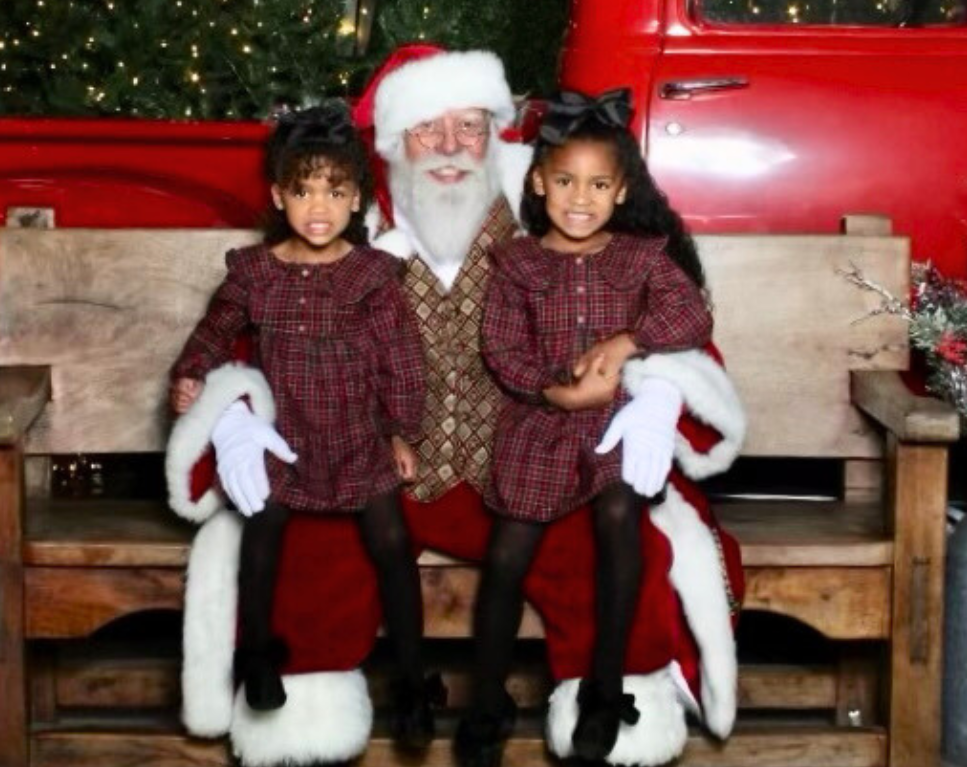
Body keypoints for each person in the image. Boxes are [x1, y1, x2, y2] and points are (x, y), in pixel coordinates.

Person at [165, 45, 747, 767]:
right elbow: (245, 341)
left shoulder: (562, 221)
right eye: (426, 128)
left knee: (595, 539)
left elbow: (680, 326)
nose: (448, 146)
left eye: (468, 126)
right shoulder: (348, 237)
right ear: (389, 144)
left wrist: (652, 389)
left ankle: (615, 694)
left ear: (499, 136)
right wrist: (234, 413)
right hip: (377, 462)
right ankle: (303, 693)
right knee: (319, 538)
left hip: (531, 459)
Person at [168, 105, 437, 749]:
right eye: (305, 189)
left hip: (356, 436)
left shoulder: (372, 277)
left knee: (393, 544)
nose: (320, 206)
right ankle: (258, 655)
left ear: (356, 202)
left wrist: (403, 432)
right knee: (263, 532)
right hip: (284, 438)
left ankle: (411, 677)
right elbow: (214, 331)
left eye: (336, 191)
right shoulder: (255, 273)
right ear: (279, 195)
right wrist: (192, 371)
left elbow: (403, 359)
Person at [461, 88, 713, 766]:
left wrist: (629, 340)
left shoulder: (640, 257)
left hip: (614, 425)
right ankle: (485, 699)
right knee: (510, 550)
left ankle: (606, 687)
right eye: (566, 181)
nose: (581, 198)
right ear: (539, 183)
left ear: (622, 189)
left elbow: (692, 318)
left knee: (619, 514)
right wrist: (550, 391)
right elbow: (501, 348)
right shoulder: (515, 264)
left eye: (599, 184)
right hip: (538, 424)